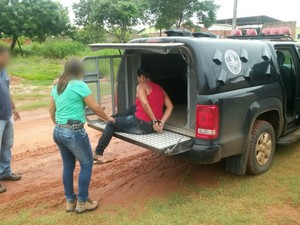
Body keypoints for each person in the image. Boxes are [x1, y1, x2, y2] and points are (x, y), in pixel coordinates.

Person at [49, 58, 113, 213]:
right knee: (86, 164)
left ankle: (70, 202)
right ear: (78, 70)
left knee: (68, 166)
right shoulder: (79, 85)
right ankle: (83, 202)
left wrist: (59, 126)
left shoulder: (57, 85)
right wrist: (109, 118)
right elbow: (96, 108)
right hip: (73, 131)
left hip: (58, 130)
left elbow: (52, 110)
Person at [94, 68, 173, 162]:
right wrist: (161, 122)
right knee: (134, 107)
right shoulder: (160, 88)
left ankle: (98, 153)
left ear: (142, 77)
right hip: (153, 127)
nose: (138, 80)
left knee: (111, 124)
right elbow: (170, 106)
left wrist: (154, 120)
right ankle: (113, 117)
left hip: (141, 124)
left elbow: (145, 103)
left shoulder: (141, 86)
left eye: (138, 78)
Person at [0, 45, 21, 194]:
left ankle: (5, 172)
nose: (8, 59)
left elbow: (7, 91)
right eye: (6, 56)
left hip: (6, 116)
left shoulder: (4, 72)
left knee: (6, 146)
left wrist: (13, 108)